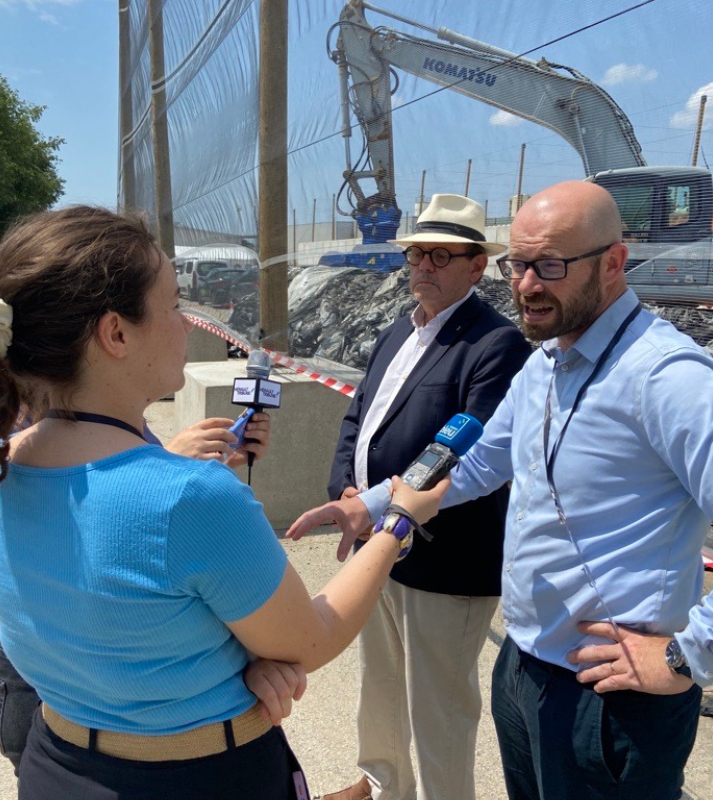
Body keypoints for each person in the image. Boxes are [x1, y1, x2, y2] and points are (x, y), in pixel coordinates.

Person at [0, 205, 448, 800]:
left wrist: (232, 660)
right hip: (200, 777)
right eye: (175, 305)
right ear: (116, 334)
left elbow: (118, 619)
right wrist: (397, 522)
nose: (187, 325)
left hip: (56, 763)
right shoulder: (188, 497)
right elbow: (310, 638)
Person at [289, 180, 713, 800]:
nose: (526, 285)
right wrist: (370, 507)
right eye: (519, 265)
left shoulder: (666, 376)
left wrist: (692, 656)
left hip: (611, 696)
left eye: (549, 266)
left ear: (614, 262)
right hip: (525, 667)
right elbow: (477, 464)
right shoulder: (544, 364)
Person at [290, 193, 530, 800]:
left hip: (444, 556)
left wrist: (370, 505)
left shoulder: (496, 345)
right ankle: (382, 784)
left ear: (477, 266)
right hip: (378, 545)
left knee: (438, 709)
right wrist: (347, 488)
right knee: (381, 684)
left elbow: (462, 455)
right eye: (417, 253)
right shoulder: (400, 329)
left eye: (441, 256)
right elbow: (358, 418)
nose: (423, 265)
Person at [0, 409, 275, 776]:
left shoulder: (103, 408)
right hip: (44, 683)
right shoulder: (25, 429)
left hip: (67, 671)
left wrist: (195, 465)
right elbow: (86, 524)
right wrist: (161, 468)